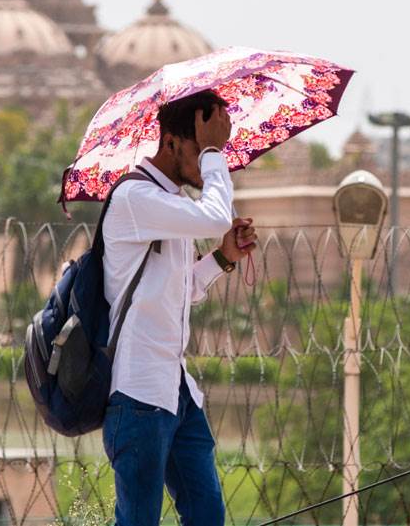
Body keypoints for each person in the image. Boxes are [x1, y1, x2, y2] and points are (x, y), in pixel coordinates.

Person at [101, 89, 257, 526]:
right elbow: (213, 217)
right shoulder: (135, 199)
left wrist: (223, 258)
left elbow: (177, 288)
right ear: (171, 142)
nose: (209, 164)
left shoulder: (169, 205)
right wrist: (213, 152)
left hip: (176, 391)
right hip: (139, 393)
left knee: (207, 516)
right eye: (202, 148)